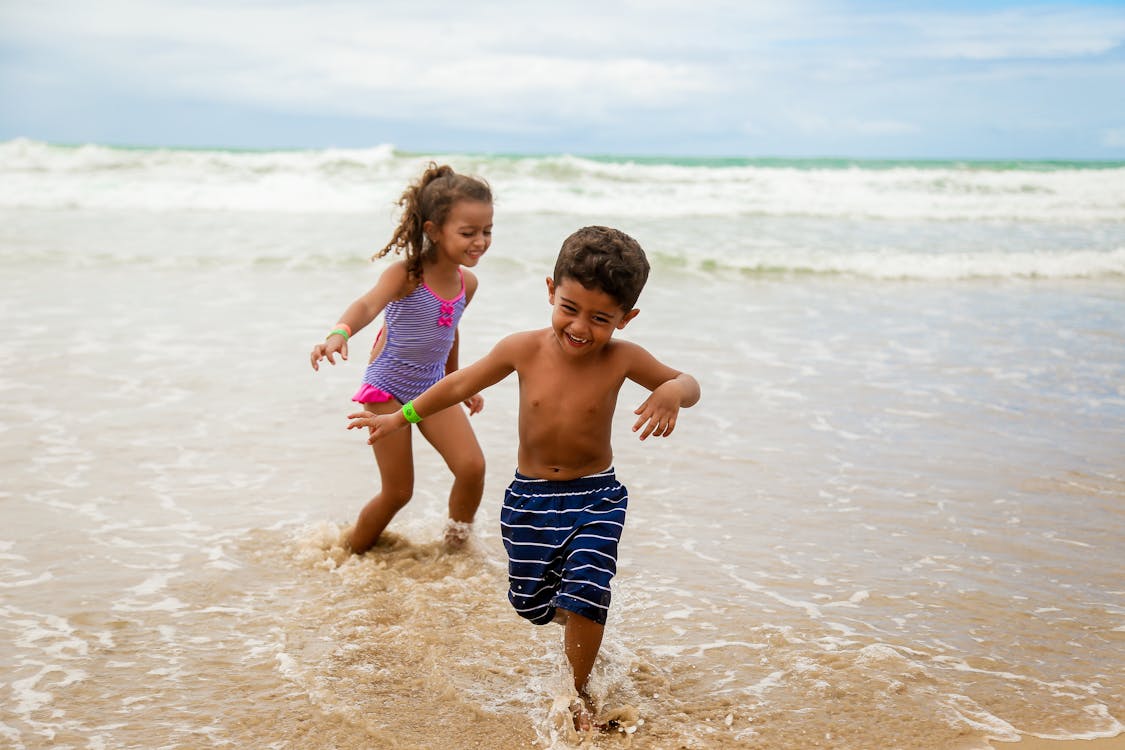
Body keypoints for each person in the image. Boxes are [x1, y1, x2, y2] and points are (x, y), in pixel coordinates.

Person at [346, 225, 701, 731]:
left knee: (588, 582)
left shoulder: (624, 358)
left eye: (601, 319)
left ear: (627, 317)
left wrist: (673, 392)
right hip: (529, 499)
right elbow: (458, 383)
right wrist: (398, 417)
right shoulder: (523, 349)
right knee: (531, 604)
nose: (580, 327)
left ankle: (577, 697)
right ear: (550, 290)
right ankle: (580, 622)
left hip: (596, 494)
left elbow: (689, 384)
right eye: (569, 308)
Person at [310, 162, 493, 554]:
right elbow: (367, 304)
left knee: (472, 467)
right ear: (433, 230)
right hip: (387, 388)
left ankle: (454, 551)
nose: (480, 241)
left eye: (487, 231)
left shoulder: (468, 283)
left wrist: (457, 382)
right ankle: (351, 555)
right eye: (468, 232)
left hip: (432, 386)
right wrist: (338, 333)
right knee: (398, 491)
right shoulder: (407, 275)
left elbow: (449, 331)